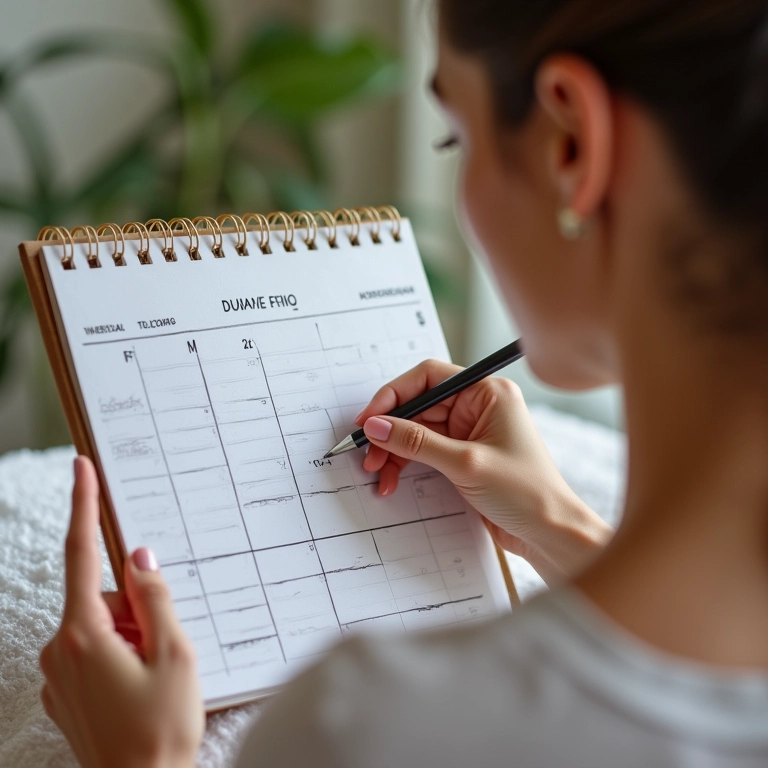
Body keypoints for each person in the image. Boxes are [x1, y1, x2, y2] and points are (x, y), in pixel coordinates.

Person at [38, 0, 768, 765]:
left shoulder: (372, 725)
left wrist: (139, 758)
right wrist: (561, 526)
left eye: (459, 136)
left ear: (571, 146)